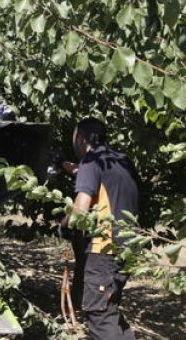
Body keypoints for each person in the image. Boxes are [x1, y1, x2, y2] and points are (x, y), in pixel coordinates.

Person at [62, 117, 139, 340]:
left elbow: (80, 211)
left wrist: (64, 224)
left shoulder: (91, 161)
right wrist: (80, 172)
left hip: (105, 249)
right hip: (128, 247)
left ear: (81, 138)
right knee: (109, 310)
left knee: (98, 314)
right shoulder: (122, 160)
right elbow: (111, 189)